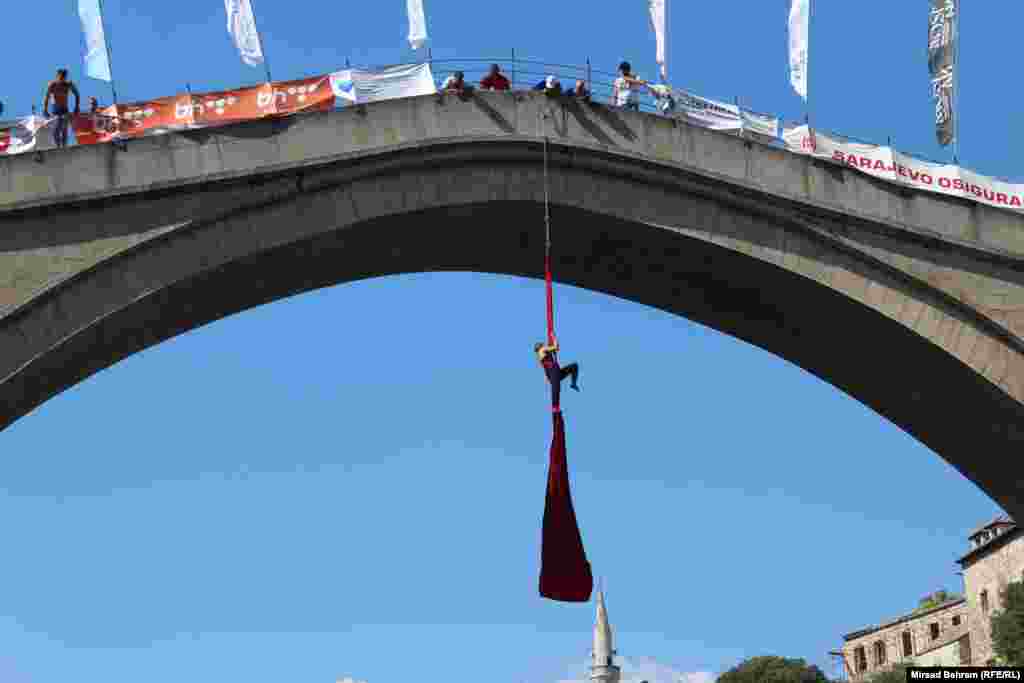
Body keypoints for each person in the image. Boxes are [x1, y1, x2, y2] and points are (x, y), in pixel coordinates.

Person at [536, 335, 580, 408]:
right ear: (540, 346)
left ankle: (573, 384)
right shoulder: (542, 350)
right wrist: (554, 337)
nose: (544, 344)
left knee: (574, 366)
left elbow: (556, 349)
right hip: (553, 372)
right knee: (556, 389)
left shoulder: (544, 352)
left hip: (556, 372)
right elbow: (556, 347)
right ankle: (555, 407)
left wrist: (553, 347)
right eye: (542, 344)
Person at [43, 68, 80, 148]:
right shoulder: (52, 85)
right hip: (55, 111)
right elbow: (47, 97)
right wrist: (45, 109)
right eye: (61, 77)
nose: (62, 78)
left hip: (64, 110)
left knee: (64, 129)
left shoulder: (68, 84)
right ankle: (58, 147)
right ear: (57, 76)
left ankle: (64, 147)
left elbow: (77, 94)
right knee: (56, 131)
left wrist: (76, 107)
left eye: (64, 77)